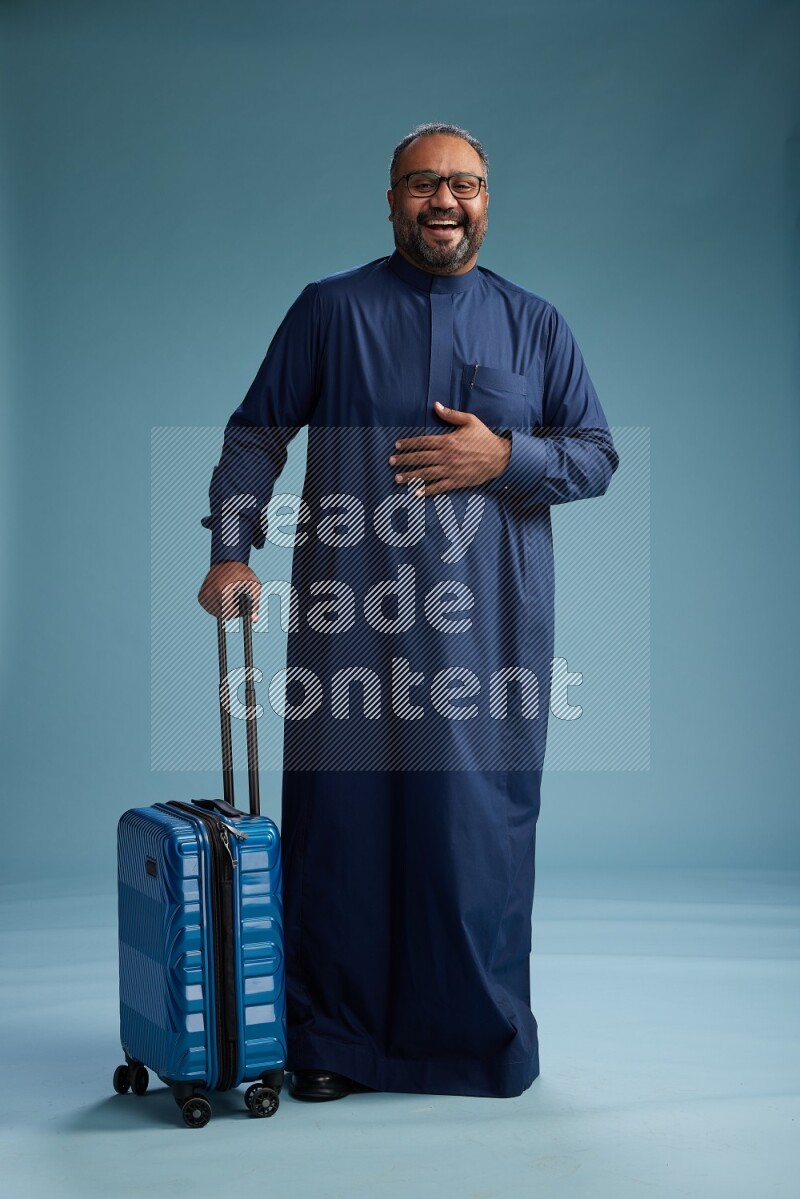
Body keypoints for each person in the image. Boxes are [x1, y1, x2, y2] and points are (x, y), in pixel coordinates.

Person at [198, 122, 618, 1101]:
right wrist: (229, 548)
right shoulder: (329, 311)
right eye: (421, 182)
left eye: (462, 184)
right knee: (341, 838)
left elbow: (594, 452)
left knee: (471, 839)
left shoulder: (533, 324)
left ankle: (477, 1044)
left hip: (488, 636)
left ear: (485, 201)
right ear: (388, 200)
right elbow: (256, 432)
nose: (443, 200)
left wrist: (504, 457)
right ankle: (331, 1039)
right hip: (349, 623)